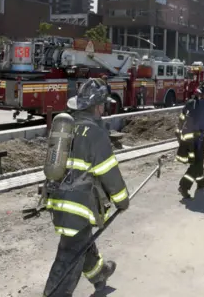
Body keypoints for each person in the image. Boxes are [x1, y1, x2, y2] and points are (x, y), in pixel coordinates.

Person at [43, 78, 127, 295]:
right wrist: (122, 200)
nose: (103, 109)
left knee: (82, 243)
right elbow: (110, 173)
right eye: (103, 105)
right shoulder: (95, 133)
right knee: (69, 256)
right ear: (98, 106)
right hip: (79, 207)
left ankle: (100, 274)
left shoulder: (68, 128)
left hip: (59, 201)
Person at [176, 79, 204, 198]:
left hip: (186, 138)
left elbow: (181, 118)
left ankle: (201, 182)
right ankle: (184, 186)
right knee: (196, 164)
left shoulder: (190, 102)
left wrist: (178, 133)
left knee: (198, 162)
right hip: (199, 139)